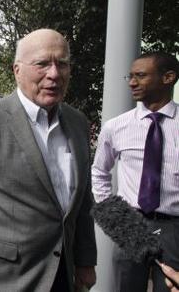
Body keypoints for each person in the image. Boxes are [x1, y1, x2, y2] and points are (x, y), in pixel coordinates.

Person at [0, 29, 97, 291]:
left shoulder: (77, 123)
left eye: (62, 64)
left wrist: (85, 261)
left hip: (62, 276)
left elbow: (82, 203)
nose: (54, 74)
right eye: (42, 64)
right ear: (17, 70)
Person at [92, 52, 179, 292]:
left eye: (140, 76)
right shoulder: (116, 127)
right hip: (131, 222)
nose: (132, 82)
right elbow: (99, 172)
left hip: (175, 227)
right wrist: (115, 219)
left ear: (168, 78)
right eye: (130, 76)